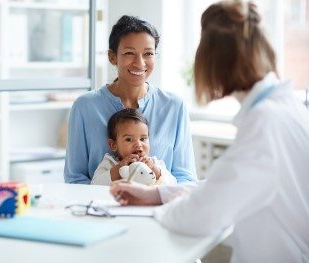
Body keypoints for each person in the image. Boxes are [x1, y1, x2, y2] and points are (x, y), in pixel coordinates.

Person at [110, 1, 309, 262]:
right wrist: (157, 194)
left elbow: (202, 215)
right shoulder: (285, 108)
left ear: (214, 59)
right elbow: (222, 188)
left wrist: (157, 212)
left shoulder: (265, 124)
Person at [64, 15, 196, 184]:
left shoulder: (174, 106)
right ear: (112, 57)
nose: (140, 63)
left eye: (148, 53)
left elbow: (186, 179)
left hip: (158, 208)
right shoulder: (85, 107)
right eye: (129, 53)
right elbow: (75, 179)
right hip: (100, 207)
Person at [91, 108, 177, 185]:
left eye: (143, 139)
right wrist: (119, 168)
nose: (139, 144)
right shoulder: (110, 163)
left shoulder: (155, 163)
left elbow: (173, 184)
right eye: (129, 139)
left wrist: (155, 170)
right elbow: (95, 184)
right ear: (113, 145)